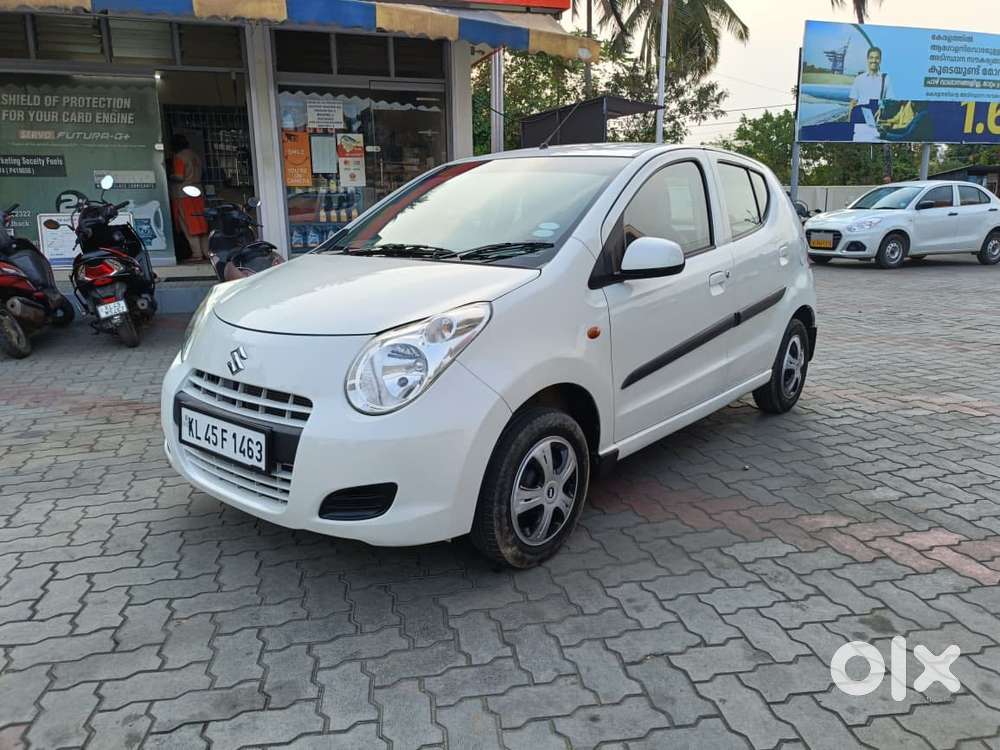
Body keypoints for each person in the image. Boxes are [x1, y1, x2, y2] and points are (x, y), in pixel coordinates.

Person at [169, 134, 210, 263]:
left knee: (188, 225)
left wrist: (169, 175)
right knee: (201, 224)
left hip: (184, 194)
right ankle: (207, 253)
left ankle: (196, 253)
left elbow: (179, 177)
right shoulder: (195, 156)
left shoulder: (179, 157)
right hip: (198, 191)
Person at [848, 47, 895, 141]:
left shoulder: (886, 78)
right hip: (859, 115)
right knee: (858, 140)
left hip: (875, 116)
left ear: (880, 60)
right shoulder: (859, 79)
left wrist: (882, 108)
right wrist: (849, 123)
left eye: (877, 58)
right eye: (871, 57)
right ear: (867, 59)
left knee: (874, 139)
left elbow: (890, 100)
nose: (874, 60)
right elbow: (853, 102)